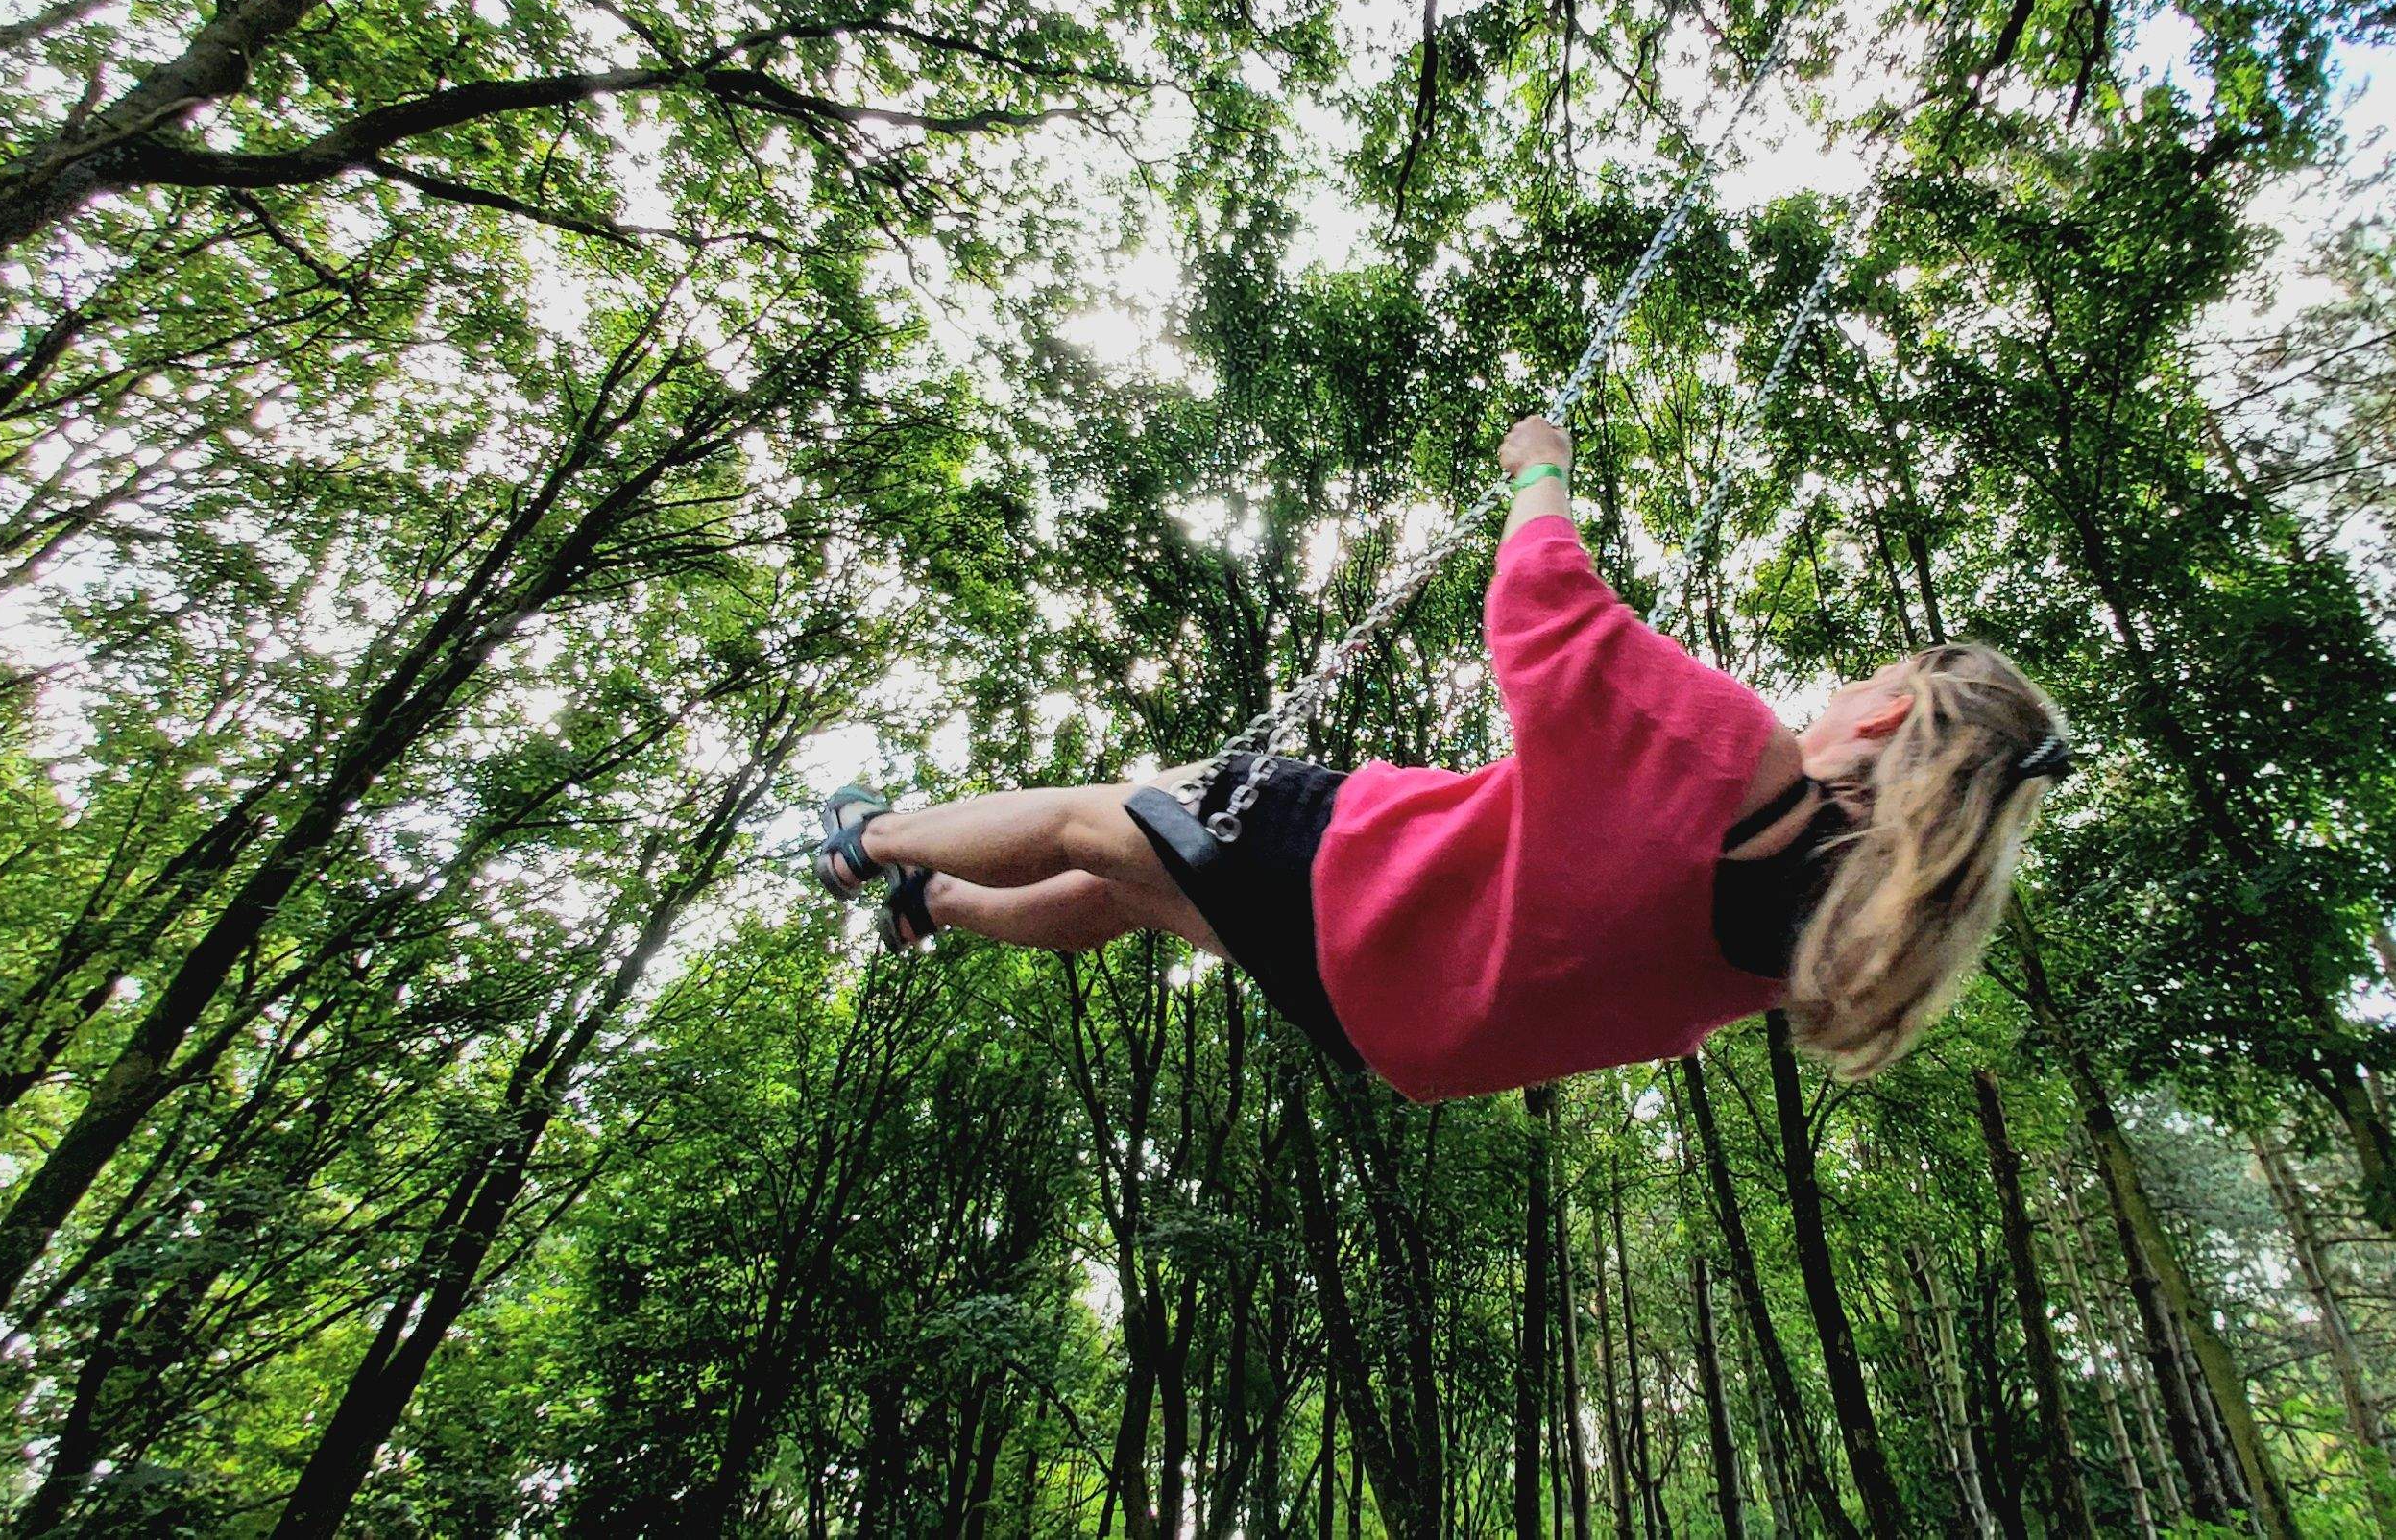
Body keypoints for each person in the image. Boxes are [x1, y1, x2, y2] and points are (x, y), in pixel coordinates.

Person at [811, 414, 2070, 1100]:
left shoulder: (1738, 759)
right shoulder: (1823, 947)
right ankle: (945, 902)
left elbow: (1546, 614)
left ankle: (865, 840)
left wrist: (1544, 472)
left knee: (1104, 821)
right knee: (1138, 890)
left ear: (1890, 722)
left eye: (1878, 679)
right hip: (1389, 1020)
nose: (1850, 686)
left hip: (1361, 887)